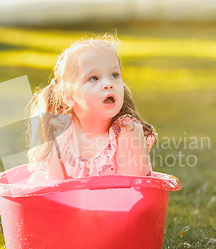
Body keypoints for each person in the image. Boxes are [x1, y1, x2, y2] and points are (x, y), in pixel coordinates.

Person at [26, 35, 159, 183]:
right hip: (73, 203)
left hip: (121, 203)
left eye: (114, 75)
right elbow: (53, 187)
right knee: (36, 180)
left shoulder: (127, 131)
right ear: (69, 96)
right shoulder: (62, 130)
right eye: (94, 78)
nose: (108, 83)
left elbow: (129, 191)